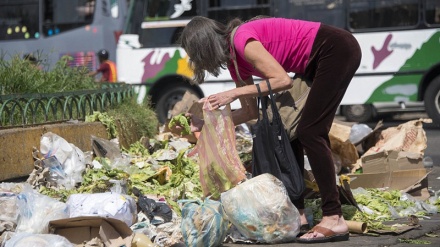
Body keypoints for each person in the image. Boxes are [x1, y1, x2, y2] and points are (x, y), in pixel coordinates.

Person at [179, 16, 361, 243]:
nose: (197, 61)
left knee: (311, 132)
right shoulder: (236, 64)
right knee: (285, 130)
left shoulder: (241, 40)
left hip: (335, 49)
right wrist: (205, 123)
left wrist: (233, 94)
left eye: (195, 54)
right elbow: (249, 114)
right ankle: (299, 214)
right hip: (314, 61)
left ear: (204, 47)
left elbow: (283, 80)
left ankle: (334, 217)